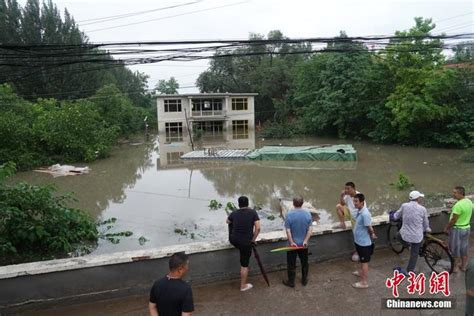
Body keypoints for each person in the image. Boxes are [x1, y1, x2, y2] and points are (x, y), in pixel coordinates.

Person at [226, 196, 261, 291]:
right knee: (244, 265)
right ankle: (243, 286)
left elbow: (227, 221)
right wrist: (253, 240)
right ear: (248, 203)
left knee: (232, 226)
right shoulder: (253, 212)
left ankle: (240, 245)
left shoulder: (234, 213)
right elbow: (257, 228)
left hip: (234, 240)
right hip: (245, 242)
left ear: (238, 204)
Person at [393, 190, 431, 273]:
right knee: (414, 254)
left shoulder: (404, 206)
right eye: (420, 197)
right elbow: (425, 222)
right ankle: (410, 271)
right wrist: (427, 229)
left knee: (397, 235)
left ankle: (408, 246)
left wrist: (394, 216)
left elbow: (396, 216)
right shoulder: (422, 209)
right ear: (417, 199)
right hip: (417, 236)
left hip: (405, 234)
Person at [282, 196, 313, 288]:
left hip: (292, 245)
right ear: (302, 203)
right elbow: (310, 230)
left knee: (291, 263)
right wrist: (305, 241)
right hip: (303, 245)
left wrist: (291, 242)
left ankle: (291, 282)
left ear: (293, 203)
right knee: (304, 262)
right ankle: (304, 280)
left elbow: (288, 231)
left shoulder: (289, 215)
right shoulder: (308, 214)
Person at [444, 186, 473, 273]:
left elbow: (454, 219)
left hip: (457, 229)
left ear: (460, 193)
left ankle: (456, 267)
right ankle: (463, 266)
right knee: (464, 248)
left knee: (455, 249)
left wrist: (447, 228)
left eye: (455, 193)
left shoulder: (458, 205)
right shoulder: (468, 201)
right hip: (466, 228)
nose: (453, 194)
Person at [351, 193, 377, 289]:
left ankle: (364, 282)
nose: (354, 203)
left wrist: (372, 234)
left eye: (356, 201)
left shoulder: (365, 214)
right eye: (354, 201)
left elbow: (369, 227)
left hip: (364, 243)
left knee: (364, 262)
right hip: (358, 241)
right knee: (361, 260)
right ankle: (360, 272)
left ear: (362, 202)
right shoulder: (360, 211)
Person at [336, 181, 365, 261]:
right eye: (345, 188)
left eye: (348, 189)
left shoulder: (359, 196)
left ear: (354, 188)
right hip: (350, 213)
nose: (346, 190)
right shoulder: (347, 195)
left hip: (357, 217)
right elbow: (342, 204)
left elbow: (363, 209)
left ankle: (358, 252)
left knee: (357, 236)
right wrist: (341, 196)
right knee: (338, 206)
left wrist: (359, 221)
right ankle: (342, 224)